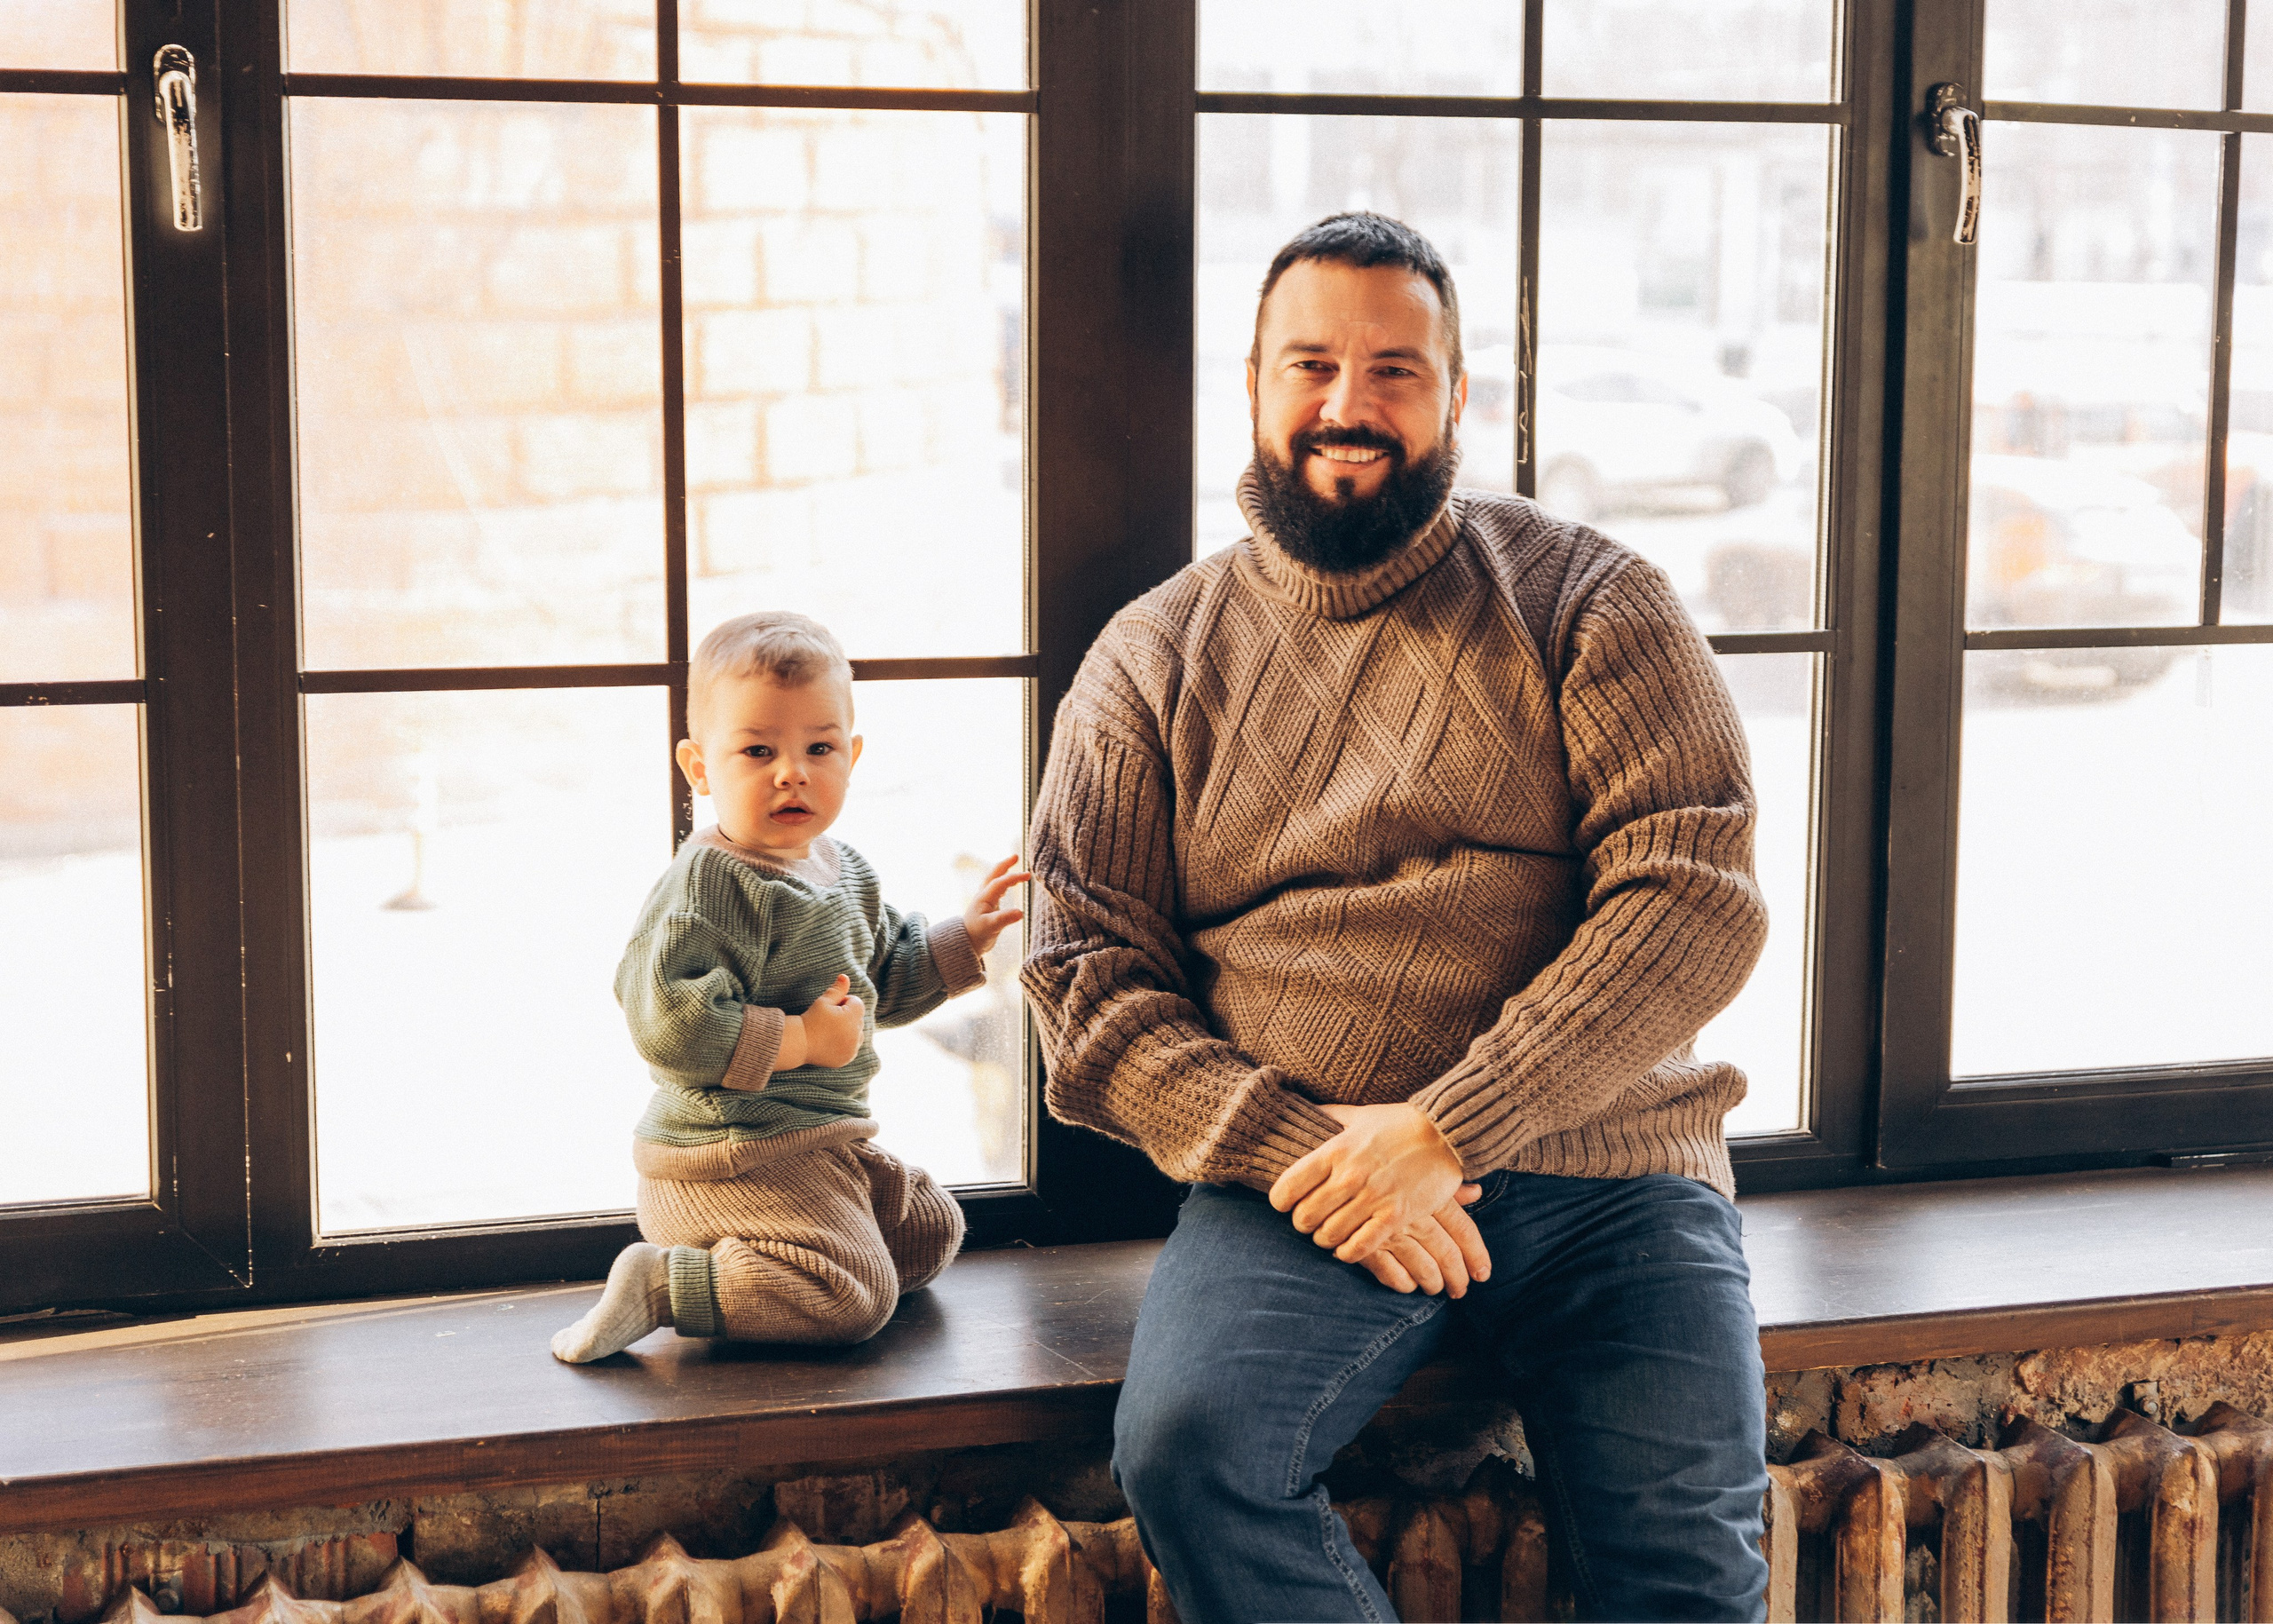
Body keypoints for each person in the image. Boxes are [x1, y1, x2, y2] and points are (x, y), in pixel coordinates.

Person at [1021, 212, 1773, 1621]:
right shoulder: (1151, 657)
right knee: (1190, 1456)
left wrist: (1446, 1132)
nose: (1346, 406)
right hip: (1301, 1184)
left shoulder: (1595, 603)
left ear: (1460, 396)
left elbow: (1692, 901)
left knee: (1687, 1571)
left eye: (1395, 370)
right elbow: (1083, 982)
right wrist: (1319, 1158)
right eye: (1310, 364)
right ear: (1252, 382)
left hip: (1614, 1170)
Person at [552, 611, 1029, 1362]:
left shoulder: (844, 868)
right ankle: (667, 1283)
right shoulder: (710, 886)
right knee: (856, 1296)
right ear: (701, 768)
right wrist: (801, 1038)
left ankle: (779, 1265)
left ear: (852, 754)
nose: (791, 772)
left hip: (817, 1144)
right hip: (730, 1155)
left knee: (932, 1229)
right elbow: (667, 1022)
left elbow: (878, 984)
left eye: (818, 747)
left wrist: (960, 940)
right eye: (757, 750)